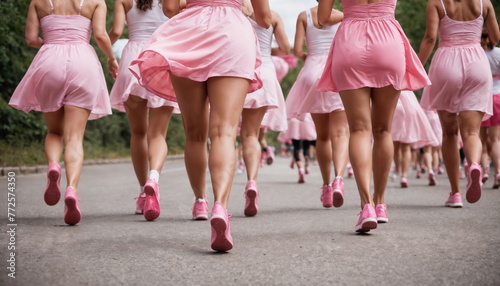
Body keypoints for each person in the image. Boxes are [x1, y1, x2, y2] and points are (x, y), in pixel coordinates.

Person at [130, 0, 271, 252]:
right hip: (232, 33)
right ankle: (221, 207)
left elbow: (171, 8)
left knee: (195, 133)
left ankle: (200, 201)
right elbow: (264, 18)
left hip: (189, 32)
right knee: (225, 132)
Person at [317, 0, 431, 232]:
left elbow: (323, 17)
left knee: (359, 129)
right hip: (388, 40)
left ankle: (366, 205)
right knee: (383, 130)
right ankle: (380, 204)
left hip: (350, 41)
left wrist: (352, 13)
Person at [9, 0, 118, 225]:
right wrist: (111, 58)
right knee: (74, 138)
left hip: (48, 61)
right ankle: (71, 190)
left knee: (54, 132)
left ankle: (53, 166)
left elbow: (30, 39)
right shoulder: (96, 2)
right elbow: (100, 35)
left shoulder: (37, 2)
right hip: (83, 62)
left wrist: (53, 44)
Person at [419, 0, 499, 206]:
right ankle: (474, 164)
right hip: (477, 63)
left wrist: (418, 66)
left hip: (447, 61)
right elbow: (495, 38)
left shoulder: (437, 2)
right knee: (472, 132)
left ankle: (455, 193)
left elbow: (430, 38)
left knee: (449, 133)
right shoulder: (484, 3)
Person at [108, 0, 181, 221]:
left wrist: (104, 49)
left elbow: (116, 31)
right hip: (162, 59)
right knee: (158, 133)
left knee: (138, 133)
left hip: (133, 60)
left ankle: (143, 192)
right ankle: (154, 178)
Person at [291, 3, 349, 209]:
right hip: (336, 71)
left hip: (311, 71)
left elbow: (297, 50)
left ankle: (325, 187)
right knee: (341, 133)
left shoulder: (303, 15)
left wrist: (309, 57)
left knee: (322, 136)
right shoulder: (343, 14)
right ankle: (339, 179)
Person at [239, 9, 289, 217]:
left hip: (239, 70)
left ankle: (209, 199)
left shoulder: (235, 10)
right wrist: (267, 49)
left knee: (228, 132)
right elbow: (286, 48)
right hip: (266, 70)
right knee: (251, 134)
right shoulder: (273, 15)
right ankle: (252, 181)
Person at [391, 91, 439, 188]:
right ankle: (404, 176)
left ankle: (398, 170)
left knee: (396, 148)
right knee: (406, 148)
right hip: (409, 106)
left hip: (395, 103)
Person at [480, 30, 500, 189]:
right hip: (498, 97)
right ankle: (498, 172)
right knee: (495, 140)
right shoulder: (498, 53)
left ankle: (484, 170)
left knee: (480, 140)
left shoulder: (475, 54)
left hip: (480, 99)